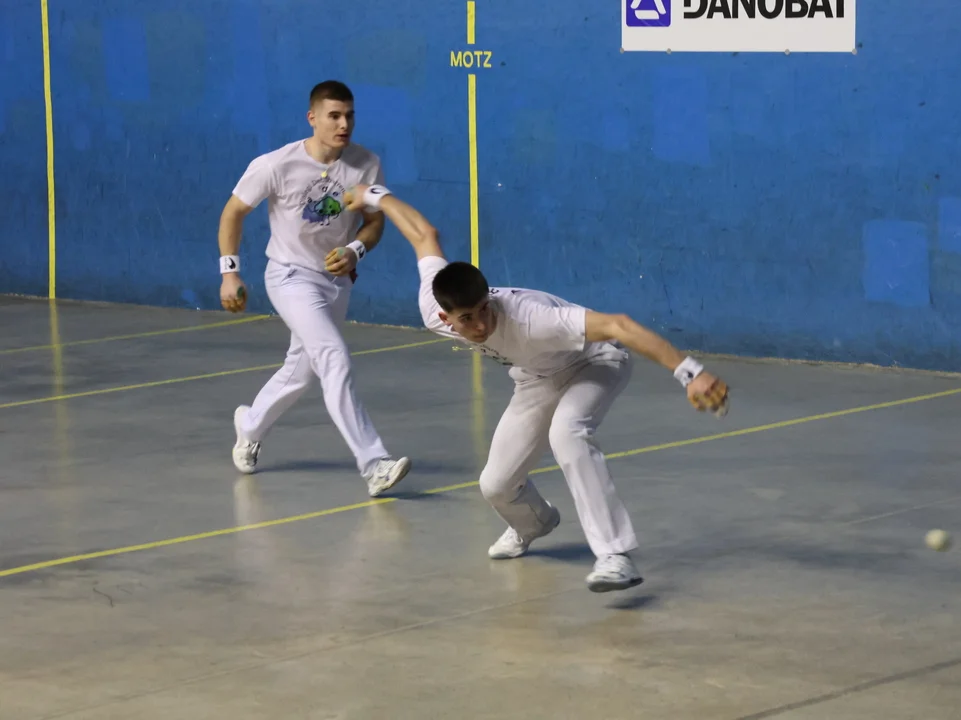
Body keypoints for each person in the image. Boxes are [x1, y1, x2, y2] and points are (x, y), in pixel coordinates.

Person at [342, 183, 730, 592]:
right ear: (445, 317)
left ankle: (614, 555)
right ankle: (535, 523)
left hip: (596, 362)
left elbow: (618, 325)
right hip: (535, 378)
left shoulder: (532, 320)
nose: (480, 325)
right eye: (467, 318)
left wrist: (691, 372)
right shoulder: (432, 309)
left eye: (483, 310)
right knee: (496, 484)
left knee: (568, 432)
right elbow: (424, 234)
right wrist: (373, 195)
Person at [215, 80, 411, 498]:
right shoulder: (276, 164)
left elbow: (374, 221)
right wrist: (230, 273)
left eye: (349, 116)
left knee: (301, 371)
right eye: (334, 116)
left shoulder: (366, 163)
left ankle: (250, 426)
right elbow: (233, 212)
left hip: (336, 281)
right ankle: (374, 464)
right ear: (312, 118)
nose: (344, 125)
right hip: (289, 276)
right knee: (333, 356)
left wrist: (356, 250)